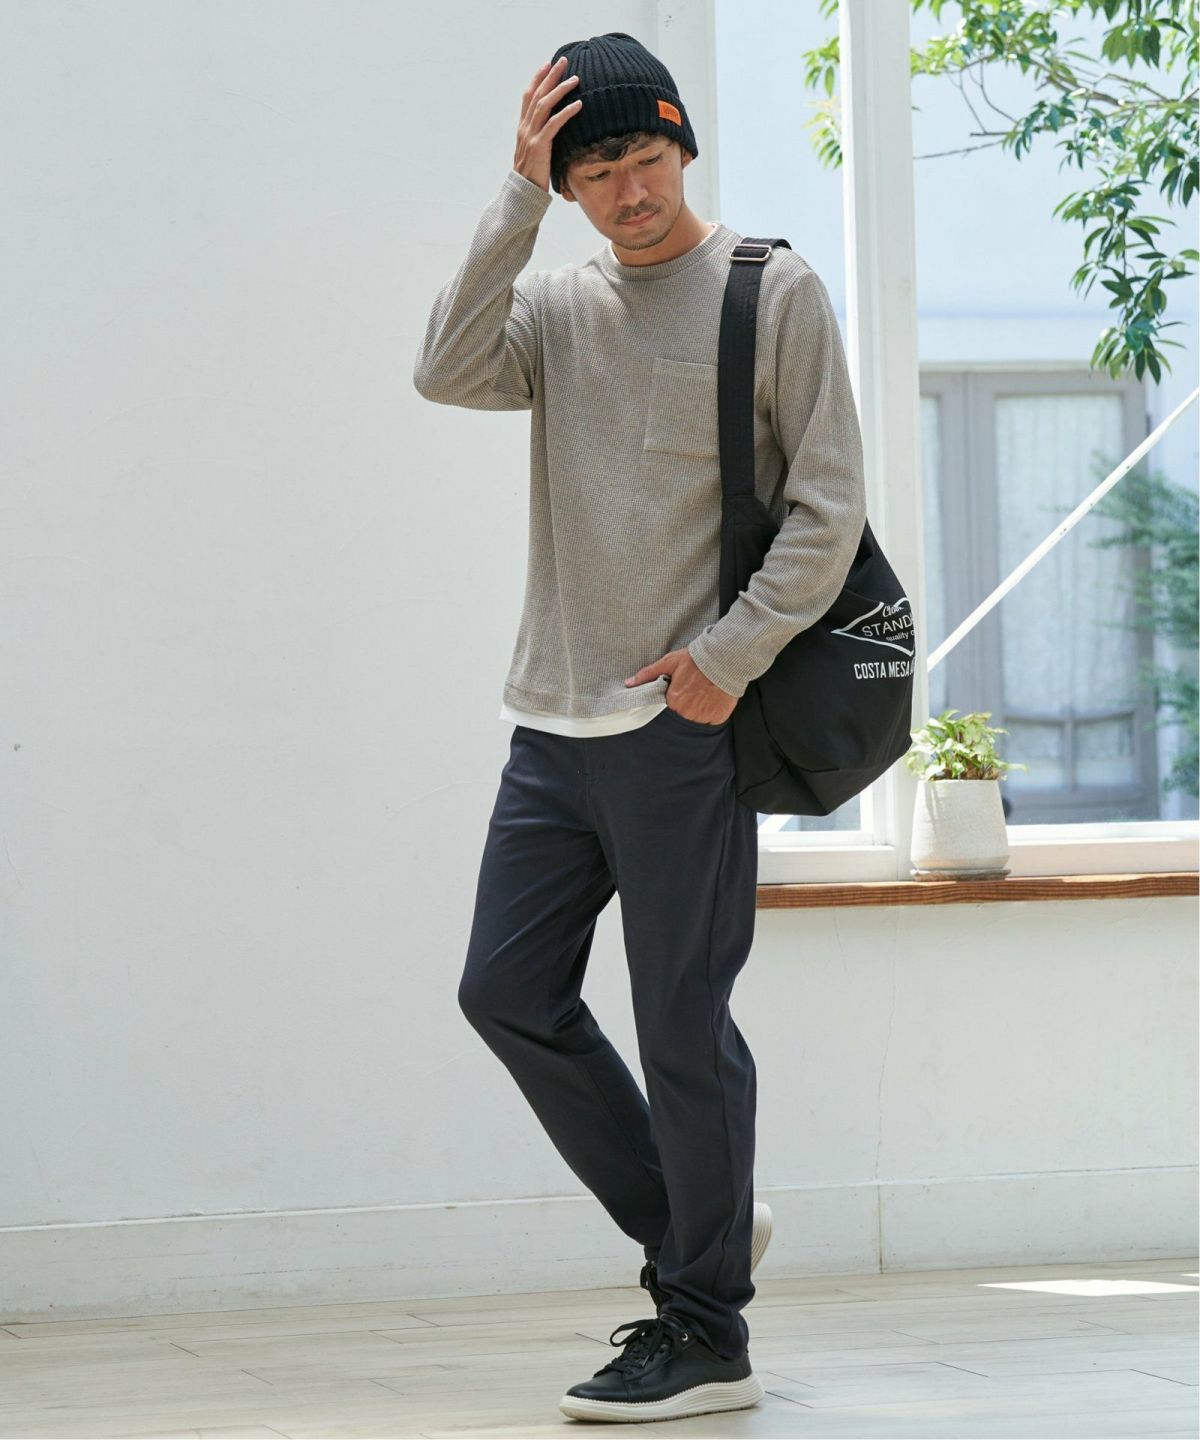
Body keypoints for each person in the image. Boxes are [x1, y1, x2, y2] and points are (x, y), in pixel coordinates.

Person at [412, 31, 866, 1424]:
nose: (629, 188)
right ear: (569, 185)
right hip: (549, 728)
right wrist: (512, 196)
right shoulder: (556, 309)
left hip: (683, 731)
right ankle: (698, 1223)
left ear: (683, 147)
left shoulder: (770, 292)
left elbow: (828, 508)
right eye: (595, 167)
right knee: (506, 992)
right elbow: (443, 367)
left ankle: (706, 1331)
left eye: (645, 154)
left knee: (679, 1025)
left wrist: (728, 663)